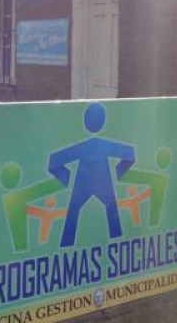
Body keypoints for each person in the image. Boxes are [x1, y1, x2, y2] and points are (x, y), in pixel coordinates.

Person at [48, 103, 136, 247]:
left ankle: (67, 243)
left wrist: (66, 177)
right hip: (98, 182)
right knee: (110, 213)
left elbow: (53, 162)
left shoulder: (85, 146)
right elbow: (130, 155)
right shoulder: (101, 145)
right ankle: (114, 239)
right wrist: (118, 171)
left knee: (75, 213)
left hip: (86, 183)